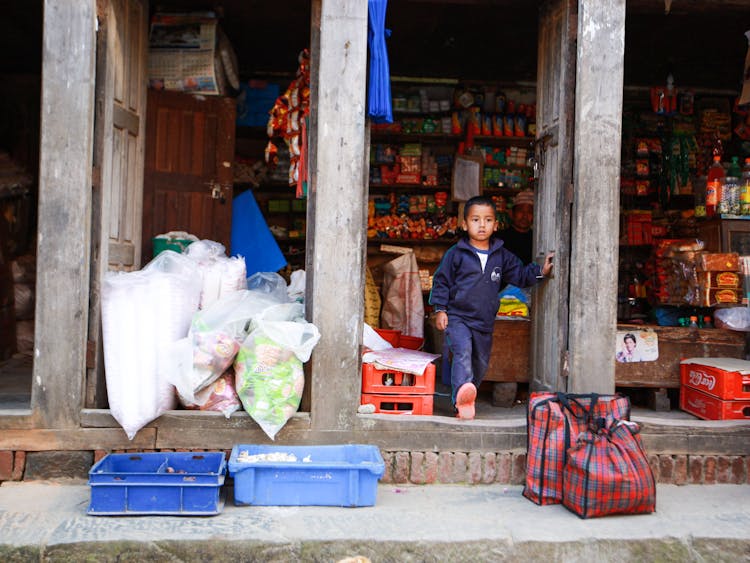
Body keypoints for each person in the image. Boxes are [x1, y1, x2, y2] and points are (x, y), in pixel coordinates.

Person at [429, 195, 554, 420]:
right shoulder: (456, 254)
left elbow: (519, 274)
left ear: (496, 225)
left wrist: (540, 272)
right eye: (475, 220)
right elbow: (442, 281)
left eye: (487, 220)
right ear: (465, 224)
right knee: (463, 353)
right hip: (458, 317)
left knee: (480, 362)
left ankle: (469, 393)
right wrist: (441, 309)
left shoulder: (502, 255)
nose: (482, 225)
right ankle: (460, 399)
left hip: (484, 321)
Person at [498, 189, 535, 265]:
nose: (525, 216)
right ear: (511, 213)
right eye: (521, 211)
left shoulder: (536, 240)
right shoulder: (499, 239)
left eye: (530, 212)